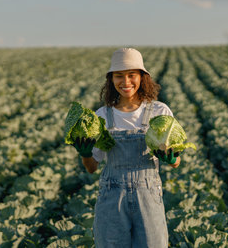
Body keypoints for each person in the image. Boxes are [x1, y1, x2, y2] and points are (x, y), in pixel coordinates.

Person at [71, 47, 180, 247]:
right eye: (119, 76)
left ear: (142, 77)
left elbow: (176, 162)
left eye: (132, 75)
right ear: (111, 80)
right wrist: (85, 153)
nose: (126, 82)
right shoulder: (102, 115)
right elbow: (92, 167)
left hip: (148, 195)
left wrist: (171, 158)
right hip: (112, 197)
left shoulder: (159, 111)